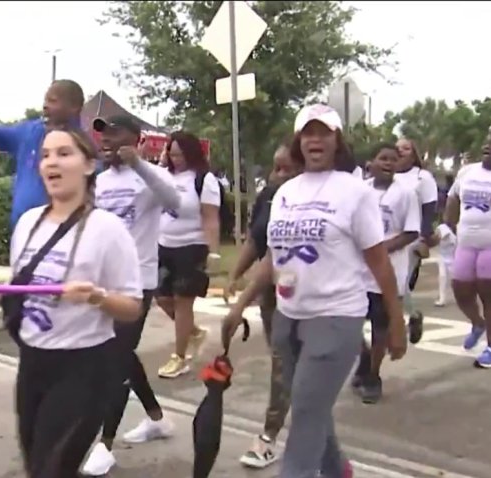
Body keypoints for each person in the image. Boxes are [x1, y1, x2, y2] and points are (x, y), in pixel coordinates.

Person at [222, 104, 407, 478]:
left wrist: (397, 322)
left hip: (336, 318)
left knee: (305, 414)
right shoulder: (286, 192)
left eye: (324, 132)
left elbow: (379, 262)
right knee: (312, 407)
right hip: (289, 318)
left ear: (337, 140)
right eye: (308, 133)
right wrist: (239, 305)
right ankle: (337, 469)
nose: (315, 140)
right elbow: (275, 257)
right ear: (298, 141)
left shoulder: (355, 193)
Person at [0, 126, 142, 478]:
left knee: (53, 468)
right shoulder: (29, 223)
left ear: (89, 166)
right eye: (45, 155)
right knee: (36, 464)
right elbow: (23, 285)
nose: (51, 163)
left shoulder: (108, 230)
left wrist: (97, 296)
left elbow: (133, 306)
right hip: (32, 363)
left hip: (84, 367)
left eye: (64, 153)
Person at [81, 115, 179, 475]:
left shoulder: (150, 177)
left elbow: (176, 203)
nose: (106, 140)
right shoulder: (100, 181)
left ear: (136, 139)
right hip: (102, 284)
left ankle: (104, 444)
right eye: (102, 135)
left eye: (115, 134)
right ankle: (156, 418)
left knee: (115, 356)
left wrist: (139, 164)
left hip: (138, 282)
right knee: (120, 353)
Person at [226, 140, 302, 469]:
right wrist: (234, 275)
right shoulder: (270, 197)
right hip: (273, 293)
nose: (277, 175)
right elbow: (259, 239)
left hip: (309, 296)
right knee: (284, 362)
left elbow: (276, 255)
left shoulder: (308, 202)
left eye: (287, 168)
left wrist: (240, 303)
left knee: (286, 365)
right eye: (276, 167)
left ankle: (270, 436)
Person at [350, 143, 420, 404]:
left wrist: (378, 249)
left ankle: (373, 377)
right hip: (357, 273)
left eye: (393, 159)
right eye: (383, 158)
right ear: (371, 163)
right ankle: (364, 357)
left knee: (381, 328)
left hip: (386, 273)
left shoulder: (406, 194)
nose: (389, 163)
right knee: (348, 323)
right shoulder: (360, 191)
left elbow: (411, 231)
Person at [155, 131, 221, 379]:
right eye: (171, 154)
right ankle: (193, 332)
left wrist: (213, 252)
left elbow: (210, 217)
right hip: (163, 245)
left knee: (183, 302)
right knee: (162, 298)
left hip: (192, 246)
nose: (176, 159)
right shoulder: (163, 177)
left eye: (180, 154)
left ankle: (179, 357)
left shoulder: (204, 180)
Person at [0, 79, 86, 230]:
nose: (45, 105)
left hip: (63, 230)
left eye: (53, 101)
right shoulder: (29, 131)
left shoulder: (83, 145)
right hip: (22, 229)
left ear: (75, 107)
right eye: (45, 100)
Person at [443, 128, 491, 368]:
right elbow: (453, 199)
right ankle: (478, 323)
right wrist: (448, 226)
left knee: (488, 293)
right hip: (465, 243)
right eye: (487, 140)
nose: (488, 145)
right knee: (460, 289)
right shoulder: (467, 172)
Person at [395, 137, 438, 343]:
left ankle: (408, 318)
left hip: (412, 238)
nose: (401, 151)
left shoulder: (423, 177)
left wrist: (425, 237)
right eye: (398, 148)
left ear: (413, 154)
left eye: (406, 148)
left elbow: (429, 209)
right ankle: (409, 315)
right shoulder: (386, 175)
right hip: (386, 238)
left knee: (401, 283)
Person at [434, 223, 457, 307]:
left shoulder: (454, 237)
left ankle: (459, 296)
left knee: (454, 279)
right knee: (442, 277)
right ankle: (442, 299)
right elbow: (439, 236)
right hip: (442, 258)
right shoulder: (441, 230)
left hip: (452, 259)